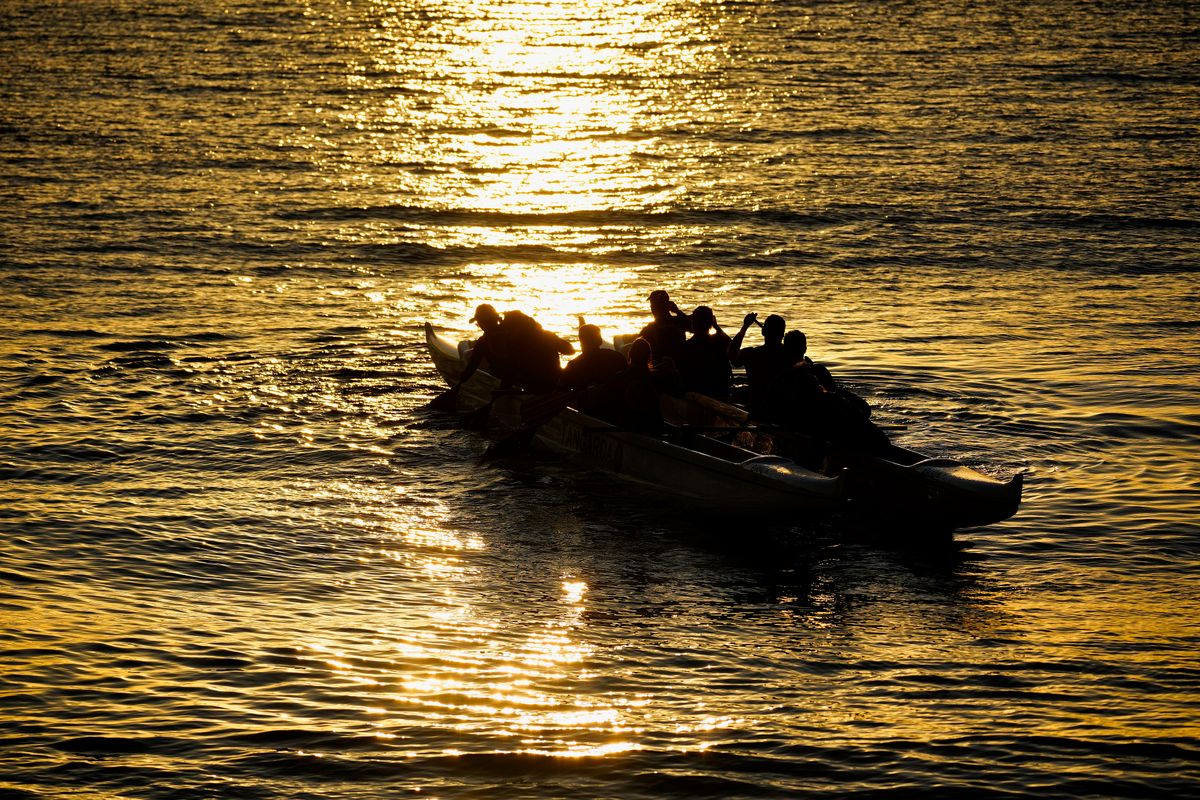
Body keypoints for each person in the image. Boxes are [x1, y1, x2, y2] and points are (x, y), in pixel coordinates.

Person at [727, 312, 791, 419]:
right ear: (782, 335)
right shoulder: (791, 356)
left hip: (757, 411)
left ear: (763, 331)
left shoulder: (751, 354)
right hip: (783, 412)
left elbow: (731, 355)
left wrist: (744, 327)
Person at [498, 309, 575, 392]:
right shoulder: (545, 335)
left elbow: (511, 370)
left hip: (541, 385)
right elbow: (570, 350)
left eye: (509, 329)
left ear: (517, 327)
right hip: (550, 382)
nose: (507, 333)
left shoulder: (516, 343)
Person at [679, 305, 733, 398]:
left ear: (693, 323)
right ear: (710, 323)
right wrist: (716, 326)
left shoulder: (687, 346)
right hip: (719, 391)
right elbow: (732, 346)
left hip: (697, 390)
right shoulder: (719, 341)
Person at [560, 323, 628, 391]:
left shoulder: (573, 365)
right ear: (600, 340)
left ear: (581, 341)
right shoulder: (616, 357)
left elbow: (562, 387)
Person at [638, 289, 691, 364]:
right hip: (680, 364)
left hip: (659, 368)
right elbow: (693, 326)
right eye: (652, 304)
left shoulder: (649, 329)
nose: (652, 308)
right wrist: (678, 311)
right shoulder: (678, 321)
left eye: (653, 305)